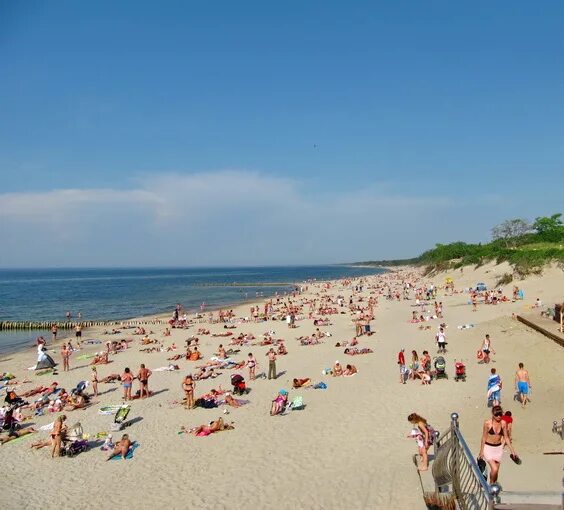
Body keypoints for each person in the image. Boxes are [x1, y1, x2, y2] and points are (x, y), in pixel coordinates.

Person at [479, 405, 518, 483]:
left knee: (496, 473)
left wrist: (512, 451)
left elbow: (506, 437)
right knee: (494, 469)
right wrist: (481, 451)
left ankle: (492, 483)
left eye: (500, 414)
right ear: (493, 414)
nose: (499, 416)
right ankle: (490, 486)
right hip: (488, 448)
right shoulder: (487, 423)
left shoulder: (503, 423)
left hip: (498, 449)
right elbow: (483, 437)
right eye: (496, 415)